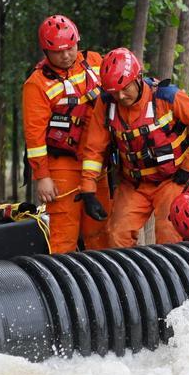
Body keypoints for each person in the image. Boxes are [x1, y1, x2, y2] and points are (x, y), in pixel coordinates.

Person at [76, 48, 189, 247]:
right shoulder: (106, 105)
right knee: (116, 234)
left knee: (170, 233)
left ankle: (171, 277)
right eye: (114, 92)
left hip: (172, 180)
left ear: (138, 78)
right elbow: (94, 149)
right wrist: (88, 189)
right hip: (134, 184)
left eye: (125, 88)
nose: (121, 96)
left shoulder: (166, 97)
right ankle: (129, 278)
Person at [21, 15, 110, 253]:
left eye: (70, 48)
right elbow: (34, 135)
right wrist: (42, 176)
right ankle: (65, 287)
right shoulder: (37, 84)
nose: (67, 55)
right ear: (46, 51)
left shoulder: (94, 62)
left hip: (98, 164)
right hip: (62, 166)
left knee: (101, 231)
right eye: (59, 51)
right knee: (64, 235)